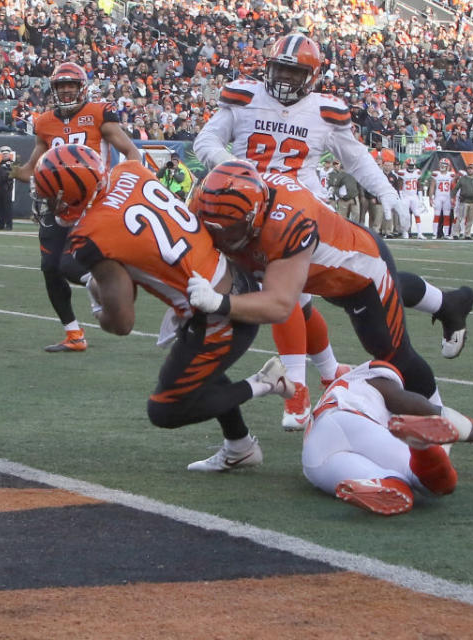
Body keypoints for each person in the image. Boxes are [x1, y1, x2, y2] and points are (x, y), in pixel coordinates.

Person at [194, 33, 433, 429]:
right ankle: (327, 370)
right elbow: (206, 140)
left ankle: (297, 396)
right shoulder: (245, 97)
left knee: (282, 292)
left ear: (312, 76)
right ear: (268, 68)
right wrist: (239, 172)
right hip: (246, 208)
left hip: (300, 213)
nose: (285, 78)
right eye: (280, 68)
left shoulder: (325, 111)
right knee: (300, 303)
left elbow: (356, 160)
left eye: (295, 71)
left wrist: (388, 193)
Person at [35, 144, 293, 471]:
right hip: (230, 280)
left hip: (218, 315)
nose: (46, 201)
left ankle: (265, 383)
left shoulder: (90, 235)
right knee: (199, 371)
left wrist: (97, 299)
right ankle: (240, 447)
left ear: (68, 193)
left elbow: (123, 321)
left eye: (49, 193)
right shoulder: (131, 170)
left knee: (166, 409)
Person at [185, 161, 473, 408]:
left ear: (254, 216)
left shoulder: (287, 223)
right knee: (381, 292)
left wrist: (219, 303)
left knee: (392, 353)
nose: (220, 237)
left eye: (230, 228)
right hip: (325, 271)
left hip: (360, 272)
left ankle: (440, 419)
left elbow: (279, 303)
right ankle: (449, 304)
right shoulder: (212, 199)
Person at [11, 62, 141, 353]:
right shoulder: (44, 122)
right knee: (50, 268)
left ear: (82, 87)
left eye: (71, 85)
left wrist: (127, 183)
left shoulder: (99, 113)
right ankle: (73, 334)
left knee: (69, 265)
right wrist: (14, 171)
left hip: (95, 202)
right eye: (61, 86)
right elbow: (33, 166)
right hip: (59, 205)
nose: (66, 90)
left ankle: (108, 286)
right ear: (53, 90)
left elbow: (131, 151)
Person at [303, 360, 473, 515]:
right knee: (436, 485)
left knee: (397, 484)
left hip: (314, 453)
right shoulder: (368, 378)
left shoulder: (334, 391)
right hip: (350, 421)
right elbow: (420, 407)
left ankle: (384, 483)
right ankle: (421, 446)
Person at [396, 157, 425, 238]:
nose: (411, 167)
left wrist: (420, 197)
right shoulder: (402, 173)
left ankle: (419, 233)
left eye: (412, 165)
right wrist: (401, 197)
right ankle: (405, 232)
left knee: (417, 213)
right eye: (410, 165)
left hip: (414, 196)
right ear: (406, 165)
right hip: (405, 196)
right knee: (405, 215)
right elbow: (400, 186)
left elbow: (419, 186)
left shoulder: (417, 172)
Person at [452, 163, 473, 240]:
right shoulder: (463, 179)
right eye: (468, 168)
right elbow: (456, 188)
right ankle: (456, 233)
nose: (470, 170)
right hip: (464, 201)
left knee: (470, 219)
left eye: (471, 168)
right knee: (460, 218)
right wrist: (452, 197)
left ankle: (467, 234)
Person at [428, 157, 456, 239]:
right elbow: (432, 186)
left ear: (448, 166)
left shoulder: (451, 175)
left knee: (446, 215)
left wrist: (453, 198)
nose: (443, 166)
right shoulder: (436, 174)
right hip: (438, 197)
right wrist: (430, 198)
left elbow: (454, 187)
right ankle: (435, 233)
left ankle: (446, 234)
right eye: (442, 164)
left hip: (447, 197)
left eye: (445, 164)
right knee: (437, 215)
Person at [0, 147, 15, 230]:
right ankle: (1, 224)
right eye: (3, 153)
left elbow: (10, 175)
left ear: (9, 154)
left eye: (6, 153)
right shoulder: (1, 163)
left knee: (7, 207)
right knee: (0, 206)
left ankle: (9, 225)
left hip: (7, 188)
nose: (4, 155)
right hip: (0, 188)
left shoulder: (11, 163)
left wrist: (1, 180)